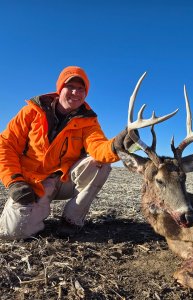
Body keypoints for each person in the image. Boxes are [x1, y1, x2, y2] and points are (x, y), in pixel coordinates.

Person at [0, 66, 133, 240]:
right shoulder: (31, 112)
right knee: (12, 234)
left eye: (81, 89)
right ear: (60, 88)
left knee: (100, 164)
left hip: (64, 181)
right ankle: (38, 211)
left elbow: (97, 147)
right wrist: (14, 181)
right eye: (70, 87)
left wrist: (116, 146)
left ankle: (72, 220)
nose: (75, 93)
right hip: (33, 183)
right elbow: (6, 145)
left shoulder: (88, 121)